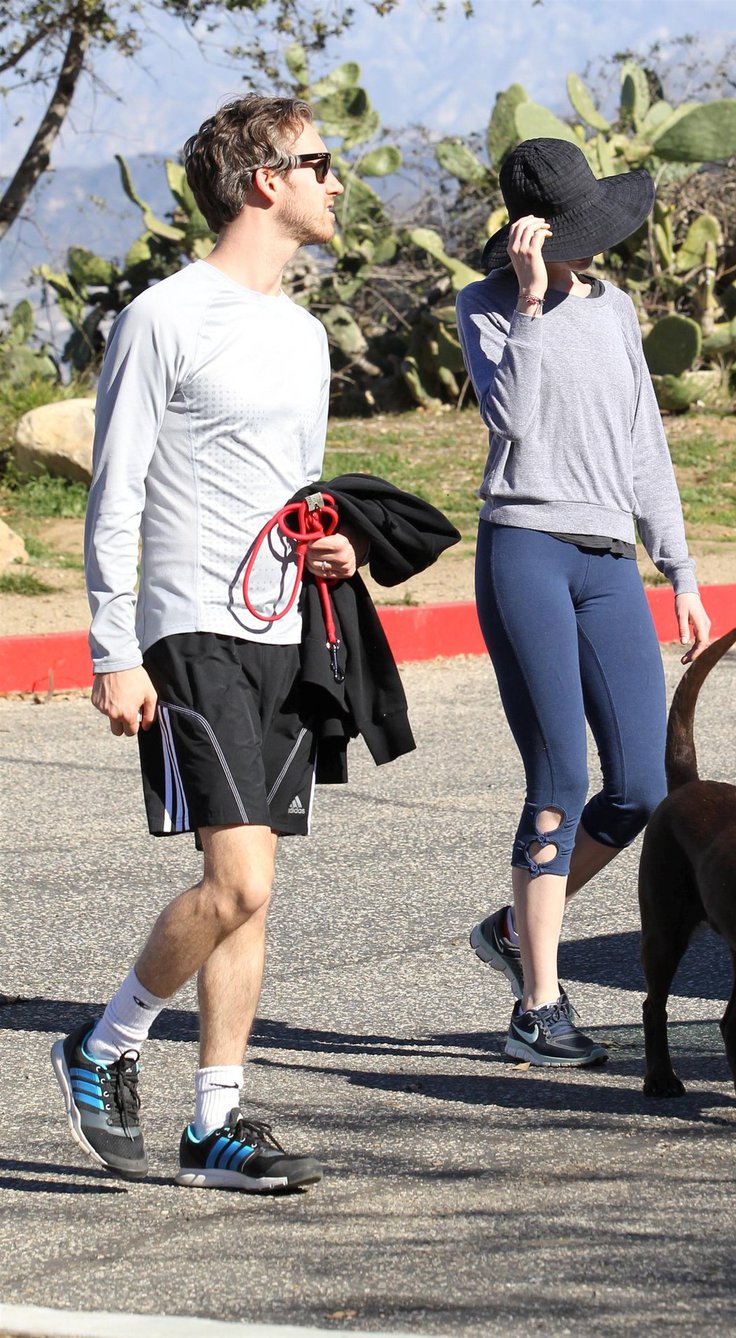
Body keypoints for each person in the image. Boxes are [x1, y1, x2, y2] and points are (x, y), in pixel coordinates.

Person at [51, 95, 354, 1192]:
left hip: (286, 632)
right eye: (319, 162)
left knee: (257, 888)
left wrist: (333, 551)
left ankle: (212, 1125)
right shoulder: (164, 317)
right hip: (188, 629)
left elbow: (297, 492)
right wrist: (110, 647)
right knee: (233, 881)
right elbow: (115, 491)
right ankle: (105, 1044)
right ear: (263, 180)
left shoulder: (305, 333)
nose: (336, 180)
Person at [456, 137, 713, 1068]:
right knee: (560, 778)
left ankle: (522, 927)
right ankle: (538, 1006)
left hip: (609, 559)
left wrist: (678, 570)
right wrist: (525, 304)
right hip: (524, 548)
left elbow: (645, 444)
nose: (589, 248)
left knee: (641, 784)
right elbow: (510, 423)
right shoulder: (482, 307)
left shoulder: (616, 310)